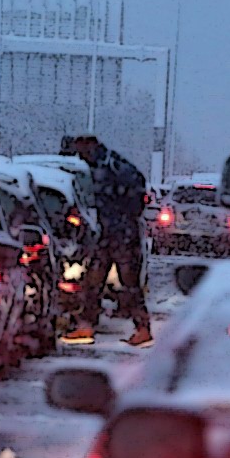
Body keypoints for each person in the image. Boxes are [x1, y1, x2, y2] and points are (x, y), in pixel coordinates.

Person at [64, 136, 153, 348]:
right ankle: (87, 325)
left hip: (121, 234)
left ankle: (142, 329)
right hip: (108, 233)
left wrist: (123, 217)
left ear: (89, 146)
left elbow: (136, 192)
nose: (79, 154)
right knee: (93, 282)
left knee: (129, 283)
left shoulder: (113, 166)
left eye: (81, 149)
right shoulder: (100, 166)